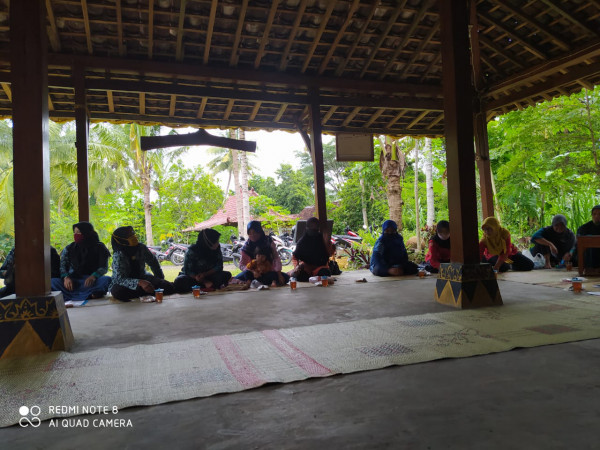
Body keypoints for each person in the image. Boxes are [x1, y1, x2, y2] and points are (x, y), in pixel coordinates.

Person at [109, 226, 175, 301]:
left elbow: (153, 262)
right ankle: (146, 292)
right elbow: (119, 279)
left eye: (133, 233)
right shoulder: (119, 255)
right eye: (130, 235)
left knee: (168, 287)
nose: (133, 236)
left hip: (143, 278)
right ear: (121, 239)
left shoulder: (141, 248)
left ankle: (145, 292)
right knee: (118, 291)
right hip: (125, 284)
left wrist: (160, 279)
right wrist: (139, 282)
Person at [51, 222, 112, 300]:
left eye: (79, 232)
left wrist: (93, 276)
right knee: (53, 282)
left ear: (87, 232)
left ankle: (71, 295)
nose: (76, 235)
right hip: (73, 281)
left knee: (106, 280)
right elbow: (62, 266)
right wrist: (66, 277)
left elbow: (104, 267)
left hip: (90, 282)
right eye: (74, 233)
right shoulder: (69, 248)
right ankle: (90, 295)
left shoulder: (99, 247)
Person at [173, 228, 231, 293]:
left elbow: (219, 266)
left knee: (226, 275)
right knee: (180, 281)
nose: (218, 243)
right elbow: (187, 270)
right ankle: (206, 286)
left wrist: (204, 275)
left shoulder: (217, 248)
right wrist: (202, 280)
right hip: (193, 278)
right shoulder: (192, 251)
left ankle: (202, 287)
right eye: (216, 241)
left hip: (210, 276)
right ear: (208, 242)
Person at [239, 221, 287, 285]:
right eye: (250, 233)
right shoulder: (246, 247)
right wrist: (253, 272)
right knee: (242, 276)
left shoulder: (268, 241)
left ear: (260, 232)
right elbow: (242, 265)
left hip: (268, 272)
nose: (252, 235)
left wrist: (279, 274)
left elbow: (276, 258)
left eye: (255, 232)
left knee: (285, 277)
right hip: (252, 273)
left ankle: (266, 281)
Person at [289, 217, 335, 282]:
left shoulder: (322, 239)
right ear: (307, 228)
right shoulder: (302, 241)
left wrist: (327, 243)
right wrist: (297, 267)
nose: (313, 229)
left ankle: (315, 276)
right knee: (300, 276)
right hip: (307, 268)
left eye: (315, 227)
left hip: (320, 267)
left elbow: (330, 253)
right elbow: (295, 256)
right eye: (311, 227)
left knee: (325, 273)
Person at [575, 205, 600, 274]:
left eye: (599, 214)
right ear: (592, 215)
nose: (596, 216)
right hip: (588, 253)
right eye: (594, 214)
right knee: (588, 239)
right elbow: (579, 238)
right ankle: (589, 269)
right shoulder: (585, 227)